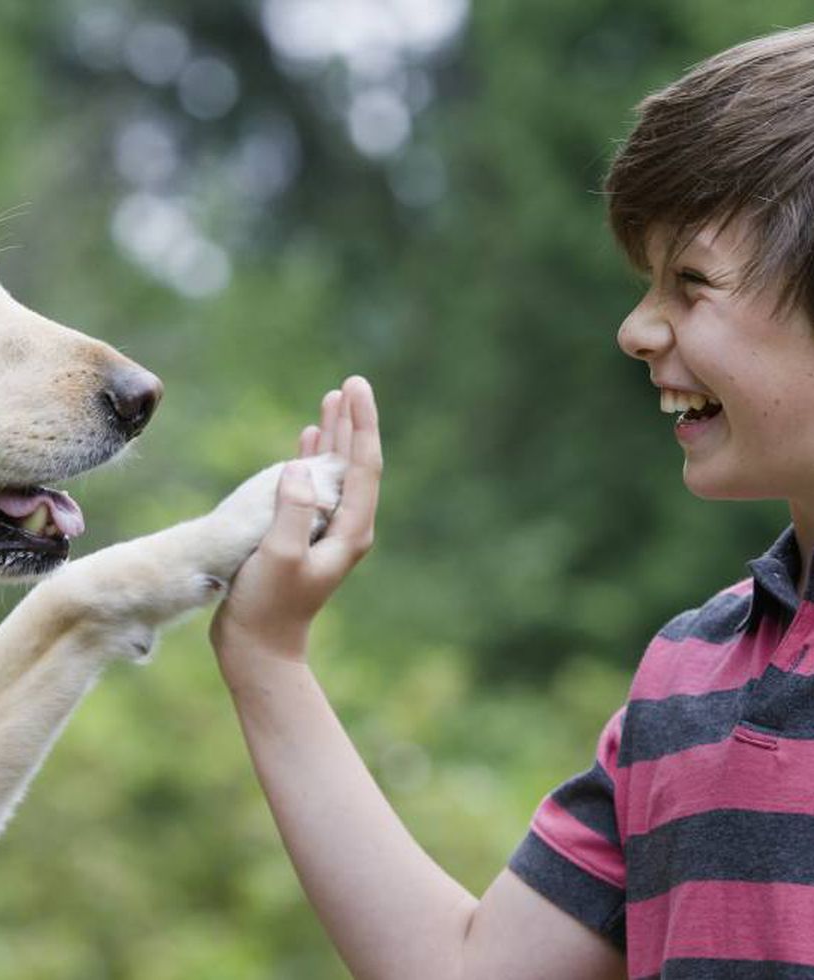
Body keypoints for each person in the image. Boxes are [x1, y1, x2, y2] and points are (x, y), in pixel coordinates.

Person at [209, 24, 814, 979]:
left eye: (691, 282)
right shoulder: (687, 675)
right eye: (645, 281)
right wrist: (265, 654)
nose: (636, 328)